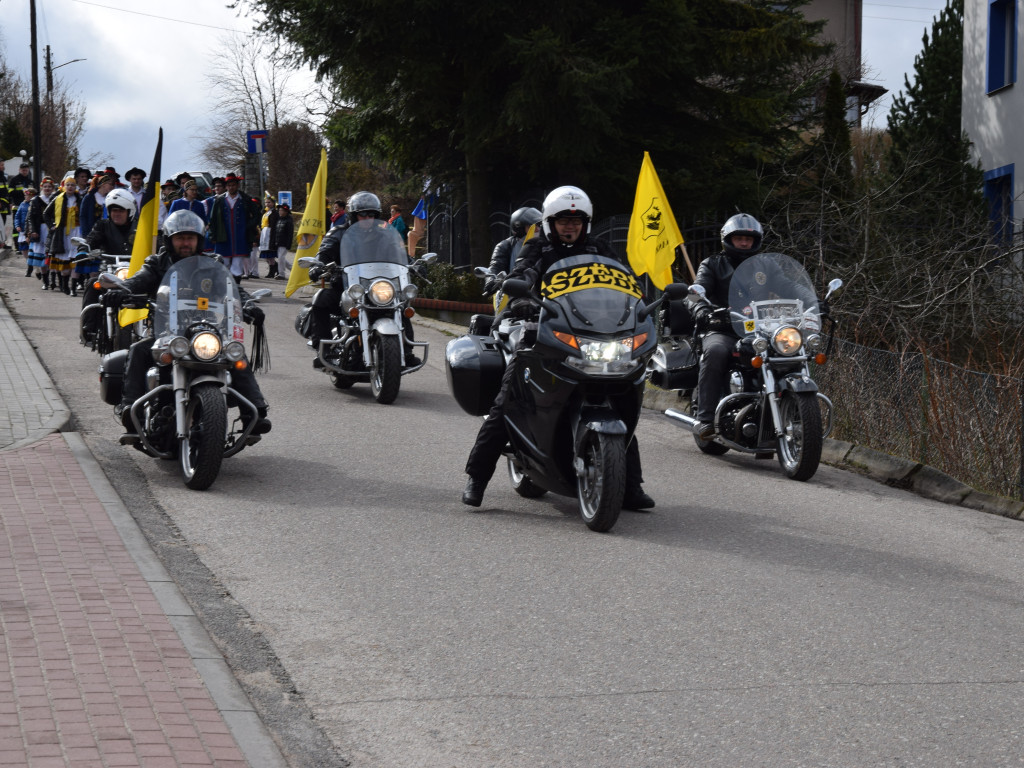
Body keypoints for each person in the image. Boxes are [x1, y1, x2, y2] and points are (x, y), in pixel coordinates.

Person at [461, 185, 654, 511]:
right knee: (508, 402)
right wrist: (521, 298)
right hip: (540, 330)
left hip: (590, 334)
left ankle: (629, 485)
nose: (570, 226)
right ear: (551, 222)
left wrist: (638, 307)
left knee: (621, 398)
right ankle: (476, 477)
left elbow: (626, 284)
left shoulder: (600, 248)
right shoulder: (538, 248)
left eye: (576, 221)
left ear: (586, 223)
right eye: (564, 220)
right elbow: (523, 273)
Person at [106, 210, 272, 436]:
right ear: (170, 240)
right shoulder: (157, 263)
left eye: (190, 238)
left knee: (236, 355)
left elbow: (233, 288)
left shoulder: (213, 263)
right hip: (167, 332)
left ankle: (254, 413)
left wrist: (248, 304)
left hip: (206, 331)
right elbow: (138, 281)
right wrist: (121, 291)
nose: (186, 243)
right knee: (137, 350)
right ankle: (129, 409)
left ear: (199, 240)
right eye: (180, 238)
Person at [308, 190, 420, 367]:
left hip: (378, 287)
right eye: (362, 214)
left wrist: (414, 264)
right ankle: (323, 350)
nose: (367, 218)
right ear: (353, 215)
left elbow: (398, 252)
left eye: (371, 214)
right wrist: (317, 265)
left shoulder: (384, 233)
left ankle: (406, 351)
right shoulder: (338, 233)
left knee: (401, 304)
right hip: (347, 288)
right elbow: (324, 253)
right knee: (320, 300)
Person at [78, 188, 137, 334]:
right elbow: (91, 239)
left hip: (135, 272)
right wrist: (83, 250)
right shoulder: (103, 225)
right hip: (110, 271)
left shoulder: (140, 227)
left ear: (129, 211)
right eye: (113, 210)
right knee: (93, 284)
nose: (116, 214)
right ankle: (89, 327)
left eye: (121, 210)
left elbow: (156, 241)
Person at [208, 172, 261, 282]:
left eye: (233, 185)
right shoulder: (219, 200)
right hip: (224, 236)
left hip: (240, 237)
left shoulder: (245, 199)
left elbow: (257, 214)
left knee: (237, 263)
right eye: (229, 185)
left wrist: (249, 226)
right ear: (225, 186)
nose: (231, 187)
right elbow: (213, 219)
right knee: (224, 262)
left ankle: (236, 286)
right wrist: (213, 235)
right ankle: (223, 286)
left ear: (237, 185)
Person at [483, 206, 542, 295]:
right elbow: (495, 266)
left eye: (538, 225)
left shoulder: (545, 245)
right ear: (519, 227)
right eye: (532, 226)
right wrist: (491, 280)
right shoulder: (505, 246)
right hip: (510, 291)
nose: (537, 229)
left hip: (540, 293)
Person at [43, 173, 83, 295]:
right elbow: (46, 213)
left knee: (76, 260)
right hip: (63, 233)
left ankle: (73, 287)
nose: (70, 187)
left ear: (75, 187)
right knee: (65, 261)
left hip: (77, 231)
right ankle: (65, 285)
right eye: (68, 185)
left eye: (72, 185)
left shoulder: (80, 199)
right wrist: (52, 226)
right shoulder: (58, 198)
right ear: (64, 186)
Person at [26, 176, 55, 287]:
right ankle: (45, 281)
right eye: (45, 186)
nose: (47, 189)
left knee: (51, 255)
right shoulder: (36, 200)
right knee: (41, 256)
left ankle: (52, 279)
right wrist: (32, 230)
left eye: (49, 187)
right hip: (40, 229)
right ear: (42, 187)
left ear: (52, 188)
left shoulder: (55, 199)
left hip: (52, 229)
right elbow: (31, 217)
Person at [79, 173, 116, 243]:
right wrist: (85, 233)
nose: (112, 186)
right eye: (110, 184)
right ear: (103, 184)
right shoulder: (89, 197)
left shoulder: (110, 198)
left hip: (106, 233)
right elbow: (83, 216)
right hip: (92, 231)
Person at [257, 197, 280, 277]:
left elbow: (274, 225)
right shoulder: (265, 212)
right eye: (266, 202)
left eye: (269, 202)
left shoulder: (274, 213)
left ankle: (272, 270)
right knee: (265, 255)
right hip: (264, 232)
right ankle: (274, 268)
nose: (267, 204)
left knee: (270, 254)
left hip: (270, 233)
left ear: (273, 203)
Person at [14, 187, 35, 268]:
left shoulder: (35, 204)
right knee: (23, 248)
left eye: (27, 195)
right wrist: (17, 225)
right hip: (22, 230)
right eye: (25, 195)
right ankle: (28, 261)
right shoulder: (22, 204)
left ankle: (32, 262)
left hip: (31, 230)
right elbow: (17, 216)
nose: (26, 197)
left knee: (31, 247)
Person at [273, 203, 294, 280]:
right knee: (281, 258)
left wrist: (289, 244)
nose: (280, 212)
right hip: (278, 241)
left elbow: (290, 234)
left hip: (284, 242)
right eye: (279, 210)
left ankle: (281, 274)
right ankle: (293, 270)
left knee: (281, 258)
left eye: (281, 210)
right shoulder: (279, 219)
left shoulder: (289, 221)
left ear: (286, 212)